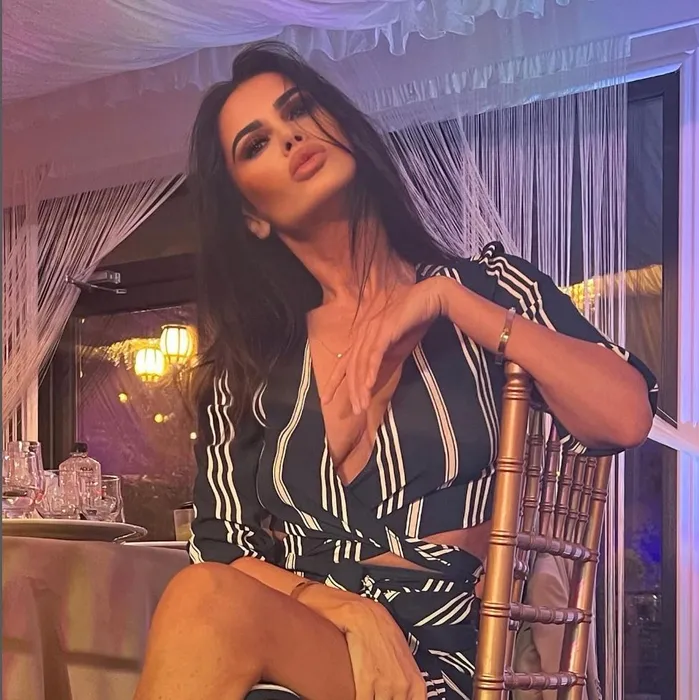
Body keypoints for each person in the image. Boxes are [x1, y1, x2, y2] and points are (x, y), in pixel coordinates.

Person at [134, 41, 657, 700]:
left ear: (343, 127)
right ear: (252, 217)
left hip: (446, 656)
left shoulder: (484, 290)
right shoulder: (251, 361)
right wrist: (347, 612)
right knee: (203, 599)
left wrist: (449, 301)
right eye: (256, 144)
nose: (290, 136)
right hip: (312, 635)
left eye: (299, 110)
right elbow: (220, 544)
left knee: (204, 608)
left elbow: (625, 416)